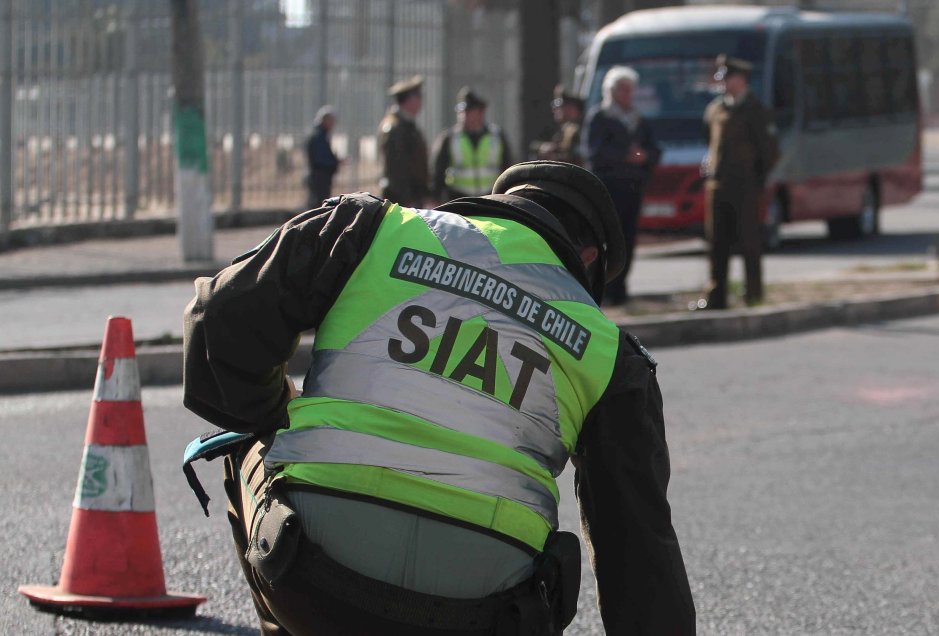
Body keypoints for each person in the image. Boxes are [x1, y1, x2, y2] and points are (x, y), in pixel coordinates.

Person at [182, 160, 696, 635]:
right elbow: (639, 548)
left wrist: (276, 415)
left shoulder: (371, 229)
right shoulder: (610, 352)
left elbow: (220, 321)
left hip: (311, 577)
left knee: (246, 437)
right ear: (588, 259)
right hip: (484, 613)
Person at [699, 55, 779, 309]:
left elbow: (769, 152)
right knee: (717, 244)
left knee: (749, 242)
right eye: (722, 77)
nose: (723, 82)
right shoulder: (715, 109)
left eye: (728, 77)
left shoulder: (756, 110)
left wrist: (755, 181)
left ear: (742, 79)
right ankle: (716, 295)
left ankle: (753, 294)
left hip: (745, 188)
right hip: (718, 186)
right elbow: (709, 142)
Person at [583, 65, 660, 306]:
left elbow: (655, 150)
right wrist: (624, 155)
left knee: (627, 240)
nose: (628, 94)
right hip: (608, 189)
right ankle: (603, 289)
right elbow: (595, 152)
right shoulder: (601, 117)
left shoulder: (639, 120)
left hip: (632, 188)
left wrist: (644, 156)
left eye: (631, 89)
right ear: (612, 91)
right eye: (623, 89)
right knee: (606, 240)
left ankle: (621, 289)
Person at [431, 87, 514, 201]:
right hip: (458, 199)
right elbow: (438, 172)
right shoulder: (449, 138)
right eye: (462, 112)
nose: (464, 115)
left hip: (491, 197)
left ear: (480, 113)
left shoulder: (497, 136)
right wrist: (436, 198)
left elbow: (508, 167)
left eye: (469, 112)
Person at [377, 75, 431, 208]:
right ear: (409, 100)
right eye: (418, 97)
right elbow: (396, 168)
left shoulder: (407, 125)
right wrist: (407, 200)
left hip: (411, 197)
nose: (421, 102)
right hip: (400, 199)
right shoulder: (395, 128)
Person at [534, 84, 585, 166]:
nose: (555, 109)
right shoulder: (565, 130)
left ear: (573, 108)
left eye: (559, 105)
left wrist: (556, 158)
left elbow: (577, 160)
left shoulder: (578, 131)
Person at [304, 105, 342, 209]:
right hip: (319, 177)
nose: (333, 124)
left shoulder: (320, 134)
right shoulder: (318, 136)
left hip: (319, 177)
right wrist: (335, 162)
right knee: (317, 206)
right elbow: (321, 159)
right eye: (331, 121)